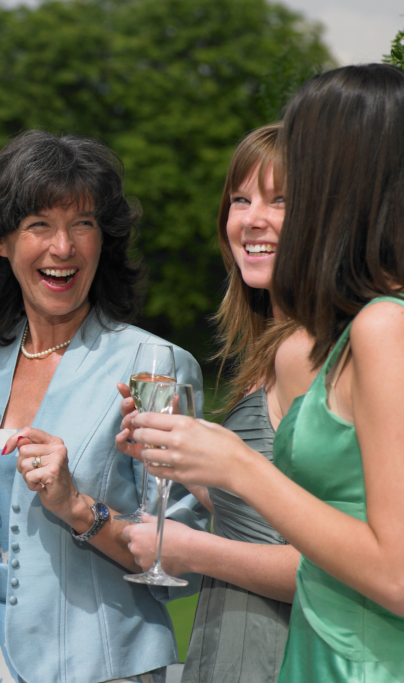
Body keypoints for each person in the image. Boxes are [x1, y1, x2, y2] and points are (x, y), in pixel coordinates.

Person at [0, 131, 210, 683]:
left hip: (104, 669)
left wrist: (77, 506)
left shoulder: (154, 364)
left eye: (82, 224)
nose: (64, 247)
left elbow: (182, 556)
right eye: (39, 224)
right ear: (2, 242)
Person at [128, 63, 404, 682]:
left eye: (300, 176)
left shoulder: (384, 327)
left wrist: (238, 467)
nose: (264, 215)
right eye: (243, 199)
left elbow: (396, 574)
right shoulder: (367, 326)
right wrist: (204, 464)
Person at [116, 123, 316, 683]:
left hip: (275, 655)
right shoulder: (270, 345)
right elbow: (267, 518)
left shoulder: (304, 351)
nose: (253, 219)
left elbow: (331, 570)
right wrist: (183, 458)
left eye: (282, 201)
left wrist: (190, 550)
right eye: (240, 200)